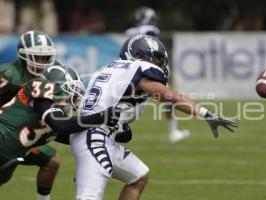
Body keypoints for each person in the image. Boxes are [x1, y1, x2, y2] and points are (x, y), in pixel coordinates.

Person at [70, 35, 238, 200]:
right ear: (137, 55)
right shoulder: (138, 68)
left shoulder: (105, 69)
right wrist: (206, 114)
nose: (157, 64)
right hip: (95, 138)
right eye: (155, 59)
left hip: (94, 134)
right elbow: (172, 97)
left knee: (138, 176)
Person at [0, 65, 119, 199]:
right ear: (53, 86)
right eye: (70, 92)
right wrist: (102, 117)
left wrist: (116, 131)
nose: (72, 99)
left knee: (51, 160)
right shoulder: (40, 93)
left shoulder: (50, 118)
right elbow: (62, 126)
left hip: (8, 155)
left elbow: (79, 137)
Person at [0, 30, 61, 200]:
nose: (40, 62)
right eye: (35, 56)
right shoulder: (8, 74)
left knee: (52, 160)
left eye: (44, 57)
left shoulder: (48, 77)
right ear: (23, 55)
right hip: (5, 134)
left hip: (22, 137)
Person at [125, 6, 190, 143]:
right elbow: (155, 49)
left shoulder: (129, 32)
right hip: (150, 69)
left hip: (131, 70)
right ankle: (173, 132)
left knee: (131, 102)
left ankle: (114, 126)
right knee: (168, 97)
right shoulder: (151, 30)